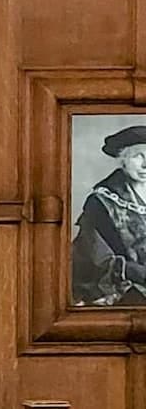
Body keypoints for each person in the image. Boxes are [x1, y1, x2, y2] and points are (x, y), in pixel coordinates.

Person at [72, 125, 146, 305]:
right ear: (123, 159)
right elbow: (95, 258)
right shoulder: (100, 203)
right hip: (126, 292)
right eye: (138, 156)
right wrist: (136, 272)